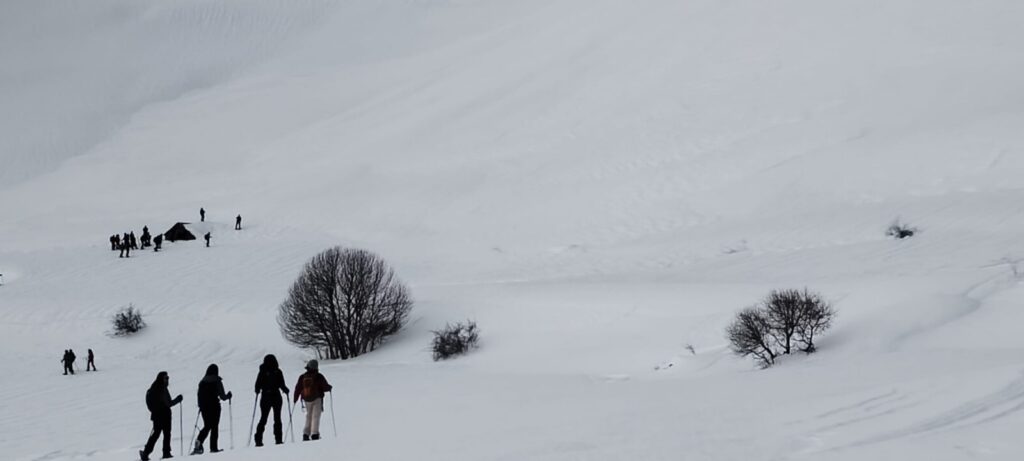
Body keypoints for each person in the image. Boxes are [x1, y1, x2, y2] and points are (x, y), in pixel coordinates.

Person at [140, 371, 183, 461]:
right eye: (166, 378)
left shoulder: (153, 387)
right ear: (162, 379)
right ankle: (166, 453)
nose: (167, 380)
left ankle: (146, 453)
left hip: (156, 415)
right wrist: (178, 399)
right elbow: (169, 403)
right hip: (165, 415)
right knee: (166, 434)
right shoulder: (162, 388)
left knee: (155, 434)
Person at [191, 364, 232, 455]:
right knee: (214, 427)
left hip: (204, 407)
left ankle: (199, 442)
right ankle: (213, 447)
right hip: (214, 407)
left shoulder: (202, 382)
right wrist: (228, 396)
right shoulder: (217, 381)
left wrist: (200, 406)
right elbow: (222, 396)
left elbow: (199, 395)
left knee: (207, 426)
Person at [253, 354, 289, 446]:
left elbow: (257, 385)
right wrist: (285, 390)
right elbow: (282, 384)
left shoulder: (262, 371)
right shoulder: (278, 371)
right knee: (277, 418)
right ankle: (278, 439)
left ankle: (258, 439)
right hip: (276, 396)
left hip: (265, 396)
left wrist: (257, 390)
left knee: (263, 418)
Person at [293, 360, 332, 441]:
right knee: (316, 416)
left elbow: (298, 388)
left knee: (308, 416)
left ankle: (306, 434)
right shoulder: (319, 376)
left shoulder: (302, 377)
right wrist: (329, 387)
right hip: (317, 398)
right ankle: (314, 433)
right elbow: (325, 387)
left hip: (306, 399)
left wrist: (295, 398)